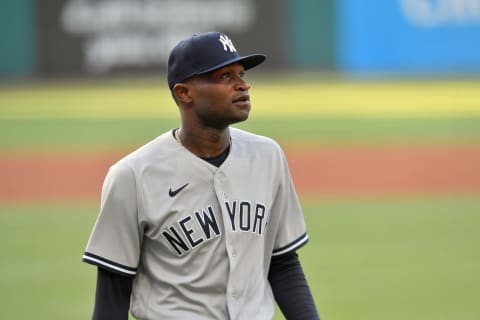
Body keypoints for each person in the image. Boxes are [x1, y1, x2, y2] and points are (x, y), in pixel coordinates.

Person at [83, 31, 319, 320]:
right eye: (225, 76)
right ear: (184, 93)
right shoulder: (133, 175)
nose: (243, 85)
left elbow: (282, 263)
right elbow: (112, 296)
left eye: (241, 74)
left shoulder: (267, 156)